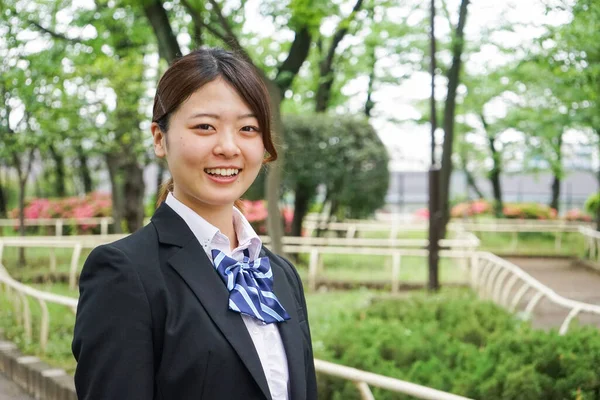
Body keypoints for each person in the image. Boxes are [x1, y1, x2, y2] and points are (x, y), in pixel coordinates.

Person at [72, 48, 317, 400]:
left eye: (248, 128)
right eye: (205, 126)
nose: (229, 147)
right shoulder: (124, 273)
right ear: (160, 138)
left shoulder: (280, 274)